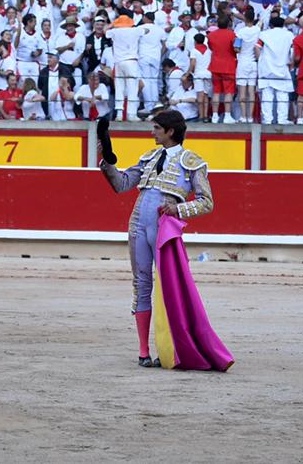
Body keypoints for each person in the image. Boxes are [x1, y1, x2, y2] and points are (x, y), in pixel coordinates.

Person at [96, 110, 230, 371]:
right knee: (142, 284)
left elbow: (207, 202)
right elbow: (122, 184)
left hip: (164, 230)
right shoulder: (149, 157)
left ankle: (168, 352)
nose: (152, 132)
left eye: (156, 128)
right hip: (137, 224)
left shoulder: (192, 162)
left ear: (170, 131)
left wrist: (178, 210)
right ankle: (143, 351)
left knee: (169, 290)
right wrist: (106, 161)